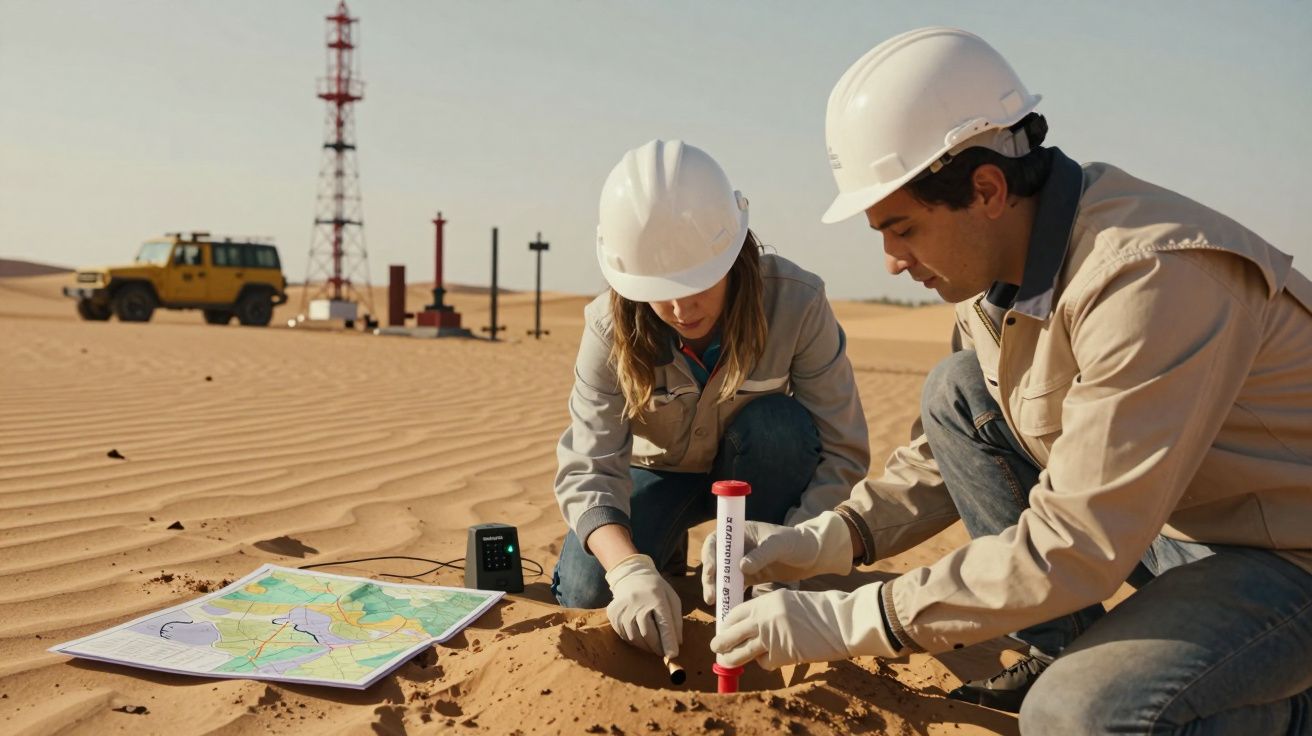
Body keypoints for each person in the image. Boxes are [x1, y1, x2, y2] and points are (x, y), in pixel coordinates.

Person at [704, 27, 1312, 733]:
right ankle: (1064, 652)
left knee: (1080, 715)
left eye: (902, 229)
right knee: (955, 391)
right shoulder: (989, 276)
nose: (893, 260)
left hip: (1287, 556)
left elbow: (1076, 543)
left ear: (987, 189)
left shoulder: (1147, 278)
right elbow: (946, 454)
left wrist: (858, 617)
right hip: (1166, 519)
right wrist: (826, 540)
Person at [551, 139, 871, 661]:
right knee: (588, 594)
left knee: (778, 427)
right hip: (659, 473)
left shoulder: (799, 302)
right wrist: (628, 569)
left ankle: (755, 577)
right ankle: (661, 557)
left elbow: (843, 454)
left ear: (733, 253)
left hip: (759, 478)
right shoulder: (608, 327)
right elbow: (588, 467)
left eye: (698, 280)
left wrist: (790, 554)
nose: (680, 307)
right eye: (659, 288)